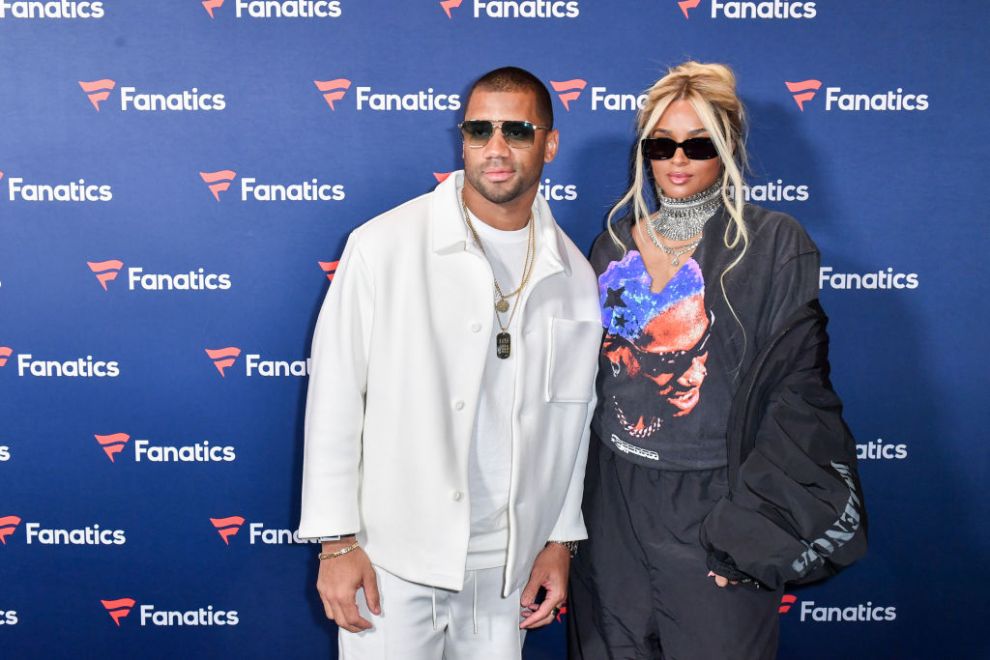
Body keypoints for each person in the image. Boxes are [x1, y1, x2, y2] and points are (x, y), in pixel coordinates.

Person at [298, 66, 602, 659]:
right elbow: (335, 396)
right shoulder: (384, 245)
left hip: (505, 570)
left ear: (550, 143)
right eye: (478, 129)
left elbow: (572, 419)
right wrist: (337, 544)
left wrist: (561, 538)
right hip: (392, 560)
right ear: (461, 138)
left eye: (516, 130)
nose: (495, 148)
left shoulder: (575, 276)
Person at [567, 61, 868, 660]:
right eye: (662, 144)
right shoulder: (612, 245)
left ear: (727, 146)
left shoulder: (774, 244)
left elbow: (798, 398)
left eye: (698, 144)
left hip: (714, 506)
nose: (677, 160)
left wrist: (756, 529)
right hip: (614, 507)